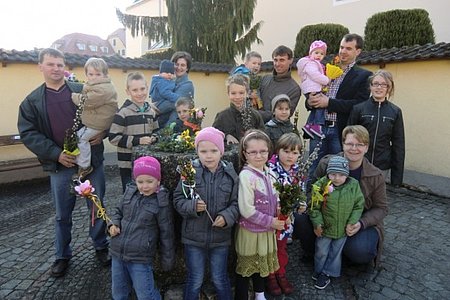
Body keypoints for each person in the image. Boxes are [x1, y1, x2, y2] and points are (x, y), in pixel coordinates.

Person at [17, 48, 110, 278]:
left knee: (97, 207)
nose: (56, 68)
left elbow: (107, 110)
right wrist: (56, 154)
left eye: (60, 64)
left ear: (64, 67)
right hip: (61, 165)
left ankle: (101, 247)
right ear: (40, 67)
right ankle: (62, 255)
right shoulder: (32, 102)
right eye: (51, 64)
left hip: (91, 163)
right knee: (62, 214)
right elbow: (29, 134)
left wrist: (104, 132)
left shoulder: (82, 89)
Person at [295, 125, 388, 268]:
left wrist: (361, 223)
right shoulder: (326, 164)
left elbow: (381, 208)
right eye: (350, 143)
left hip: (354, 221)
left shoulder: (376, 175)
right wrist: (317, 219)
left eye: (359, 144)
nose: (354, 148)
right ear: (343, 144)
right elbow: (311, 192)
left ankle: (342, 253)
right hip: (327, 218)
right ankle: (314, 251)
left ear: (366, 148)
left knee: (361, 252)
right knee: (300, 220)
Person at [173, 127, 239, 300]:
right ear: (197, 152)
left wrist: (226, 217)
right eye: (203, 151)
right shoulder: (189, 174)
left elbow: (236, 203)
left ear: (221, 152)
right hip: (193, 238)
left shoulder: (230, 175)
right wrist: (193, 206)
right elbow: (178, 199)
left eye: (213, 150)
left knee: (220, 278)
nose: (208, 155)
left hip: (220, 239)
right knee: (195, 279)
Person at [306, 34, 372, 183]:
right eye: (342, 47)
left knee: (338, 170)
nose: (343, 51)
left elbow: (359, 105)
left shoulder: (364, 76)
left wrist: (329, 103)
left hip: (340, 129)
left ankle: (335, 203)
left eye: (348, 48)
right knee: (313, 167)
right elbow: (311, 91)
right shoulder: (324, 69)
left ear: (358, 51)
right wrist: (310, 101)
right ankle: (309, 202)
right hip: (318, 125)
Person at [109, 156, 175, 300]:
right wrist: (113, 224)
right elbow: (117, 211)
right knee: (118, 293)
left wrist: (167, 260)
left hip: (140, 258)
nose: (145, 186)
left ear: (158, 180)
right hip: (117, 252)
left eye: (150, 182)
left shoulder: (161, 202)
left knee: (146, 295)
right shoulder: (130, 193)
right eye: (140, 182)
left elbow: (166, 233)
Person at [234, 129, 285, 300]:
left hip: (266, 232)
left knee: (261, 265)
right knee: (246, 268)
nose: (258, 156)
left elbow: (277, 198)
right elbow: (246, 209)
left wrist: (284, 213)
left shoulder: (270, 172)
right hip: (251, 233)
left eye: (263, 151)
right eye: (253, 152)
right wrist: (272, 222)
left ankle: (260, 294)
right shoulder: (246, 176)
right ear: (244, 154)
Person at [309, 156, 364, 289]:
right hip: (325, 228)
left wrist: (352, 222)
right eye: (333, 174)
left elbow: (358, 205)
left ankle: (327, 273)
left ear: (347, 175)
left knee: (335, 253)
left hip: (343, 229)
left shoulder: (353, 185)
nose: (337, 178)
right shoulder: (320, 186)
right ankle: (319, 270)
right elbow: (314, 207)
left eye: (341, 175)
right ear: (328, 173)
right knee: (321, 251)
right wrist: (318, 223)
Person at [348, 70, 405, 186]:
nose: (379, 88)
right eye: (376, 84)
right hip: (359, 162)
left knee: (375, 199)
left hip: (382, 165)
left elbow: (399, 144)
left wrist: (397, 178)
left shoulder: (395, 112)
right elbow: (347, 138)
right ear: (370, 86)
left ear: (389, 88)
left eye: (384, 84)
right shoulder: (359, 109)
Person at [266, 133, 303, 296]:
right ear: (278, 150)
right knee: (269, 247)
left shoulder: (298, 170)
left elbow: (300, 191)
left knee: (281, 248)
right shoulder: (270, 169)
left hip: (287, 218)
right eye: (286, 151)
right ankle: (270, 276)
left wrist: (301, 204)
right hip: (271, 218)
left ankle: (280, 272)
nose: (290, 156)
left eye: (294, 153)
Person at [109, 72, 160, 192]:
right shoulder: (123, 113)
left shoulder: (151, 112)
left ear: (147, 88)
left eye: (142, 89)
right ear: (128, 92)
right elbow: (113, 137)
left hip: (147, 162)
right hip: (128, 163)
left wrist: (154, 138)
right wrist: (138, 141)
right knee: (130, 194)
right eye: (135, 90)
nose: (140, 93)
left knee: (148, 193)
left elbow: (158, 132)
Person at [71, 57, 118, 179]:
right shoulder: (100, 85)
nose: (94, 77)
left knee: (81, 138)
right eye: (90, 74)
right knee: (80, 135)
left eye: (98, 74)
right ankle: (82, 160)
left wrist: (74, 96)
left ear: (105, 74)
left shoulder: (103, 89)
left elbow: (87, 101)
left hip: (99, 123)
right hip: (99, 121)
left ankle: (84, 165)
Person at [297, 40, 337, 139]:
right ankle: (317, 125)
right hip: (312, 88)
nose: (319, 55)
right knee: (320, 106)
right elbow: (315, 76)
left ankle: (309, 125)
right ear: (311, 53)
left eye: (322, 53)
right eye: (316, 52)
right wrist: (326, 80)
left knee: (315, 108)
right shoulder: (310, 64)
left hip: (311, 88)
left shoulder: (314, 63)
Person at [212, 74, 265, 145]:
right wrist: (226, 136)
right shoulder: (222, 116)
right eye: (233, 93)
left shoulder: (255, 116)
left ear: (247, 93)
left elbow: (263, 138)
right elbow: (213, 137)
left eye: (241, 93)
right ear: (228, 94)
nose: (237, 97)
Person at [259, 45, 301, 123]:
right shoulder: (265, 79)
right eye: (275, 60)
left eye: (282, 60)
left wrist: (255, 114)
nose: (277, 64)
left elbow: (283, 115)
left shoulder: (294, 89)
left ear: (290, 60)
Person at [150, 59, 179, 128]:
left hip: (160, 103)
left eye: (171, 73)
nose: (169, 74)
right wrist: (178, 97)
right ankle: (169, 127)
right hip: (159, 104)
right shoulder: (161, 81)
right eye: (166, 72)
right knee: (176, 104)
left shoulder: (164, 80)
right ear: (160, 73)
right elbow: (165, 92)